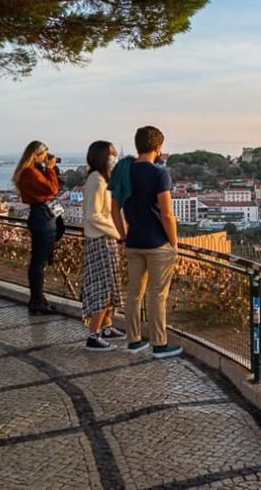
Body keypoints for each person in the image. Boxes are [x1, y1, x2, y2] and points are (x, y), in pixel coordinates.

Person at [111, 126, 182, 358]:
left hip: (133, 242)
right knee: (157, 295)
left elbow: (114, 209)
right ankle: (159, 343)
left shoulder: (124, 171)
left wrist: (122, 236)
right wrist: (174, 243)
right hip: (157, 243)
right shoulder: (159, 174)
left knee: (134, 293)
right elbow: (167, 214)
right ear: (158, 148)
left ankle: (134, 340)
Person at [80, 141, 127, 351]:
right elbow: (94, 215)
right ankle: (94, 334)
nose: (114, 157)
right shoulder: (97, 181)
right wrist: (117, 231)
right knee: (103, 287)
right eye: (111, 153)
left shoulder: (98, 179)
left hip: (102, 238)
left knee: (109, 284)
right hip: (101, 240)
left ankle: (107, 326)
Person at [12, 140, 61, 315]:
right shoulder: (30, 172)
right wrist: (49, 169)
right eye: (44, 154)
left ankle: (38, 298)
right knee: (38, 262)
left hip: (42, 216)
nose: (46, 158)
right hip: (41, 218)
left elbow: (51, 188)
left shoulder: (32, 171)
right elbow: (52, 188)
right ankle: (36, 301)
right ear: (35, 155)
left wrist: (51, 170)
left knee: (39, 262)